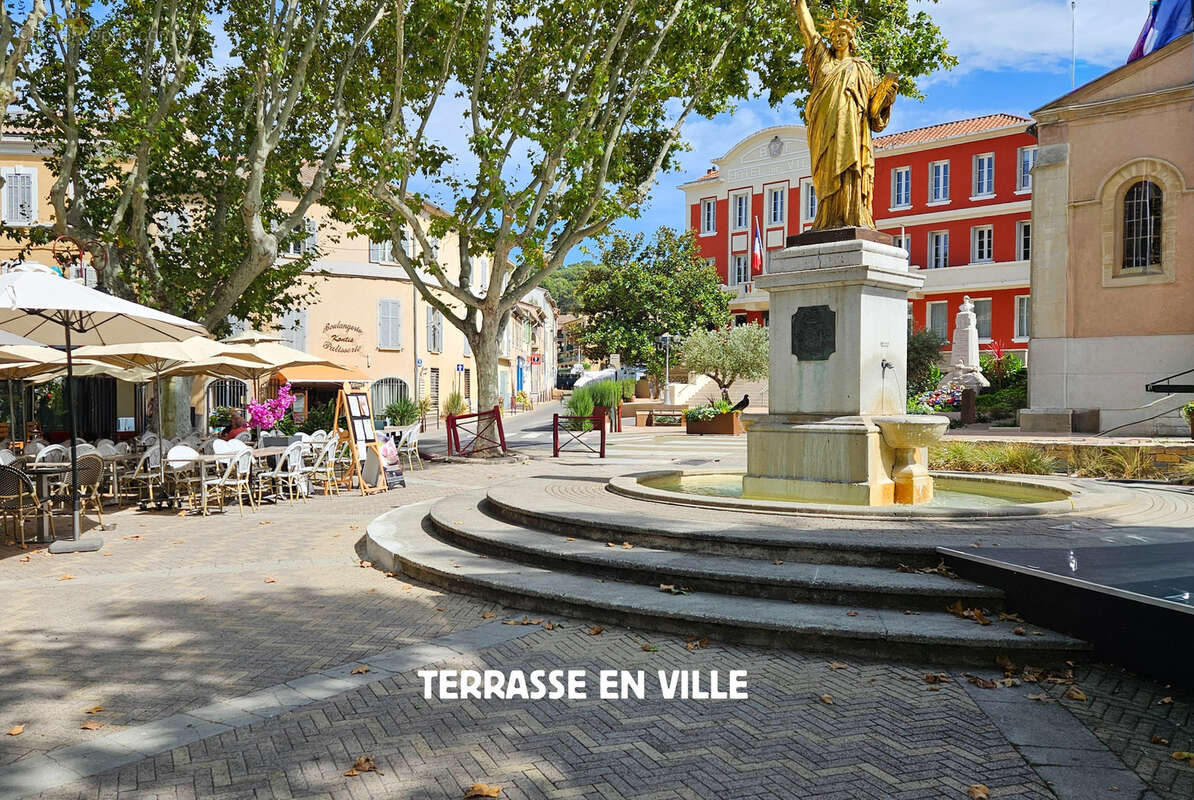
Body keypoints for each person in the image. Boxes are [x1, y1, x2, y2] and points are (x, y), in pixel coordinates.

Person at [788, 0, 899, 230]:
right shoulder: (822, 61)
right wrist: (801, 6)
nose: (837, 39)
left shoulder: (862, 67)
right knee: (827, 172)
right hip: (824, 128)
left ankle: (853, 215)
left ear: (851, 39)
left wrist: (887, 98)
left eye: (842, 35)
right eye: (835, 35)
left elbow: (873, 112)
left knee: (851, 170)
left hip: (853, 129)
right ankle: (828, 219)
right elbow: (809, 32)